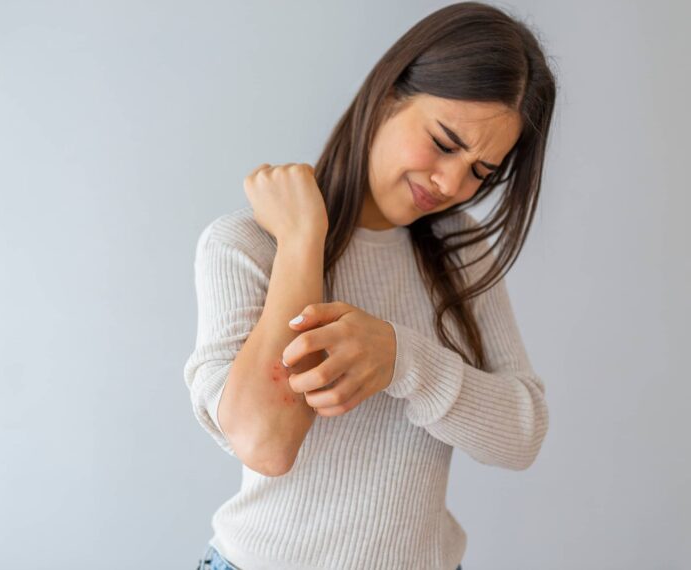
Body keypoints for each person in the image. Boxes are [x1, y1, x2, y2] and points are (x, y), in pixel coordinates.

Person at [183, 2, 557, 568]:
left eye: (483, 172)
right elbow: (266, 443)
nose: (453, 182)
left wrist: (402, 359)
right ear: (386, 95)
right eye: (445, 142)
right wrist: (304, 240)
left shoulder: (460, 251)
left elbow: (522, 432)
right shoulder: (247, 244)